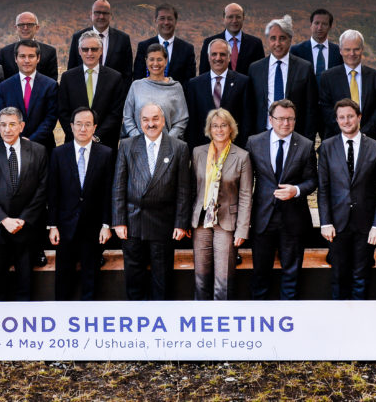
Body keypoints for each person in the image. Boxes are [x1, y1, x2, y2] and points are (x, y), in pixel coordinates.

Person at [112, 103, 192, 300]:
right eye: (146, 120)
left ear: (163, 120)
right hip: (132, 221)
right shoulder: (127, 145)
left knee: (162, 278)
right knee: (134, 277)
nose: (151, 124)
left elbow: (183, 189)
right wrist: (119, 220)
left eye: (155, 119)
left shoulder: (179, 147)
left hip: (163, 222)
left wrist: (181, 223)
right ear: (140, 122)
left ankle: (161, 322)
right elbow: (119, 185)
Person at [246, 100, 317, 300]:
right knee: (260, 273)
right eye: (280, 119)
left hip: (293, 219)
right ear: (271, 119)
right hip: (263, 217)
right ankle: (260, 317)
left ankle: (289, 318)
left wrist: (295, 190)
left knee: (291, 274)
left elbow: (312, 181)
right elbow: (245, 179)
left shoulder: (305, 145)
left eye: (290, 119)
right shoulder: (254, 142)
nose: (285, 123)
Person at [318, 99, 376, 300]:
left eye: (350, 116)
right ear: (337, 120)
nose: (346, 121)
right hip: (336, 225)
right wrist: (325, 222)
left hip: (365, 225)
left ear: (359, 117)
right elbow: (323, 189)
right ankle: (341, 323)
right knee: (339, 276)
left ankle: (359, 322)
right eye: (342, 117)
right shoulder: (327, 147)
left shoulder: (375, 148)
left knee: (361, 276)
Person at [0, 107, 49, 301]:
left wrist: (23, 220)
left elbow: (42, 190)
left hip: (26, 230)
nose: (7, 129)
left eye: (12, 124)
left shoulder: (38, 151)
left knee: (25, 285)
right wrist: (4, 220)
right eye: (3, 125)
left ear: (21, 126)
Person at [47, 108, 116, 300]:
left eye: (87, 124)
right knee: (63, 279)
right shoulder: (59, 154)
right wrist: (52, 225)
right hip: (65, 226)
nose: (83, 129)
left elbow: (108, 192)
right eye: (78, 124)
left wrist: (106, 224)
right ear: (71, 126)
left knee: (91, 278)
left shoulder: (106, 154)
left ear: (94, 127)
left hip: (93, 228)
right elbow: (53, 192)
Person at [191, 108, 252, 300]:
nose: (219, 129)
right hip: (201, 222)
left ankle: (222, 322)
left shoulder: (242, 156)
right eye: (215, 125)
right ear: (209, 129)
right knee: (200, 278)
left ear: (231, 128)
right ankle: (201, 319)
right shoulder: (198, 152)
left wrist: (242, 230)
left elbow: (245, 195)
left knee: (223, 279)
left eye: (223, 125)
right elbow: (191, 189)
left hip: (226, 223)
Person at [248, 15, 319, 139]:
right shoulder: (255, 69)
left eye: (282, 38)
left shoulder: (304, 68)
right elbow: (250, 107)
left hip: (295, 137)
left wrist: (308, 141)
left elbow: (311, 109)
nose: (277, 43)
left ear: (290, 39)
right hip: (262, 136)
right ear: (267, 40)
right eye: (273, 38)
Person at [58, 31, 125, 148]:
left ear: (101, 50)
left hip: (104, 143)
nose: (89, 53)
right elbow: (63, 111)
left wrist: (96, 136)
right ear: (79, 51)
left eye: (94, 49)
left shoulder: (115, 78)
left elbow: (116, 113)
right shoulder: (67, 77)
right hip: (74, 143)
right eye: (85, 49)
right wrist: (78, 135)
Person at [318, 30, 376, 140]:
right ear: (340, 50)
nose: (352, 54)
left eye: (356, 49)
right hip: (337, 139)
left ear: (362, 49)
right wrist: (346, 131)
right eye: (347, 49)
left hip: (369, 139)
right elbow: (325, 109)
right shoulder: (328, 77)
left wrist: (363, 133)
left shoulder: (375, 77)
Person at [185, 38, 253, 149]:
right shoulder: (194, 84)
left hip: (234, 149)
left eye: (222, 54)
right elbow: (192, 123)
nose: (218, 58)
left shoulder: (243, 82)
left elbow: (247, 122)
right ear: (208, 57)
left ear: (229, 57)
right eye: (214, 54)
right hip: (203, 150)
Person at [0, 39, 59, 151]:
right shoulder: (4, 87)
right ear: (16, 59)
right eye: (22, 56)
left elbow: (51, 118)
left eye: (31, 56)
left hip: (42, 147)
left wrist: (31, 140)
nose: (26, 60)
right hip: (11, 146)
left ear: (38, 58)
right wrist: (16, 139)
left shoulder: (50, 85)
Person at [122, 43, 189, 139]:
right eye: (151, 59)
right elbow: (128, 117)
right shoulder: (136, 86)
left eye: (159, 59)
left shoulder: (175, 87)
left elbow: (181, 120)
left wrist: (166, 142)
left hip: (167, 147)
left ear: (166, 61)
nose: (155, 63)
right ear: (146, 61)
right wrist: (139, 140)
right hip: (138, 145)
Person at [66, 0, 134, 86]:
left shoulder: (123, 39)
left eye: (105, 13)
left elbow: (127, 74)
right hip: (84, 92)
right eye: (97, 13)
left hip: (114, 95)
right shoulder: (78, 37)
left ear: (111, 16)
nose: (101, 16)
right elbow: (72, 70)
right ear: (91, 15)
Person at [132, 3, 197, 87]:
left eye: (170, 19)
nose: (166, 22)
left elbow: (189, 81)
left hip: (176, 97)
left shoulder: (187, 49)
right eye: (162, 18)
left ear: (176, 21)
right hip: (149, 97)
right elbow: (138, 77)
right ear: (155, 20)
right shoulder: (144, 46)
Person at [198, 3, 265, 75]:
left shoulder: (255, 44)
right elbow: (203, 74)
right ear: (224, 18)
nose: (234, 20)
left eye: (238, 17)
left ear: (243, 18)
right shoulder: (209, 43)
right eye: (230, 17)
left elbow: (260, 74)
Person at [0, 12, 59, 81]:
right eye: (21, 25)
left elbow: (52, 82)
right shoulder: (4, 52)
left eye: (29, 25)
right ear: (16, 28)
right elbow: (1, 81)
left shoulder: (49, 52)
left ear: (37, 27)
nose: (25, 28)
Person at [290, 8, 343, 76]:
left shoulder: (338, 52)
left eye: (324, 24)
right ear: (311, 25)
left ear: (330, 27)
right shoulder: (297, 51)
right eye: (316, 23)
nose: (320, 27)